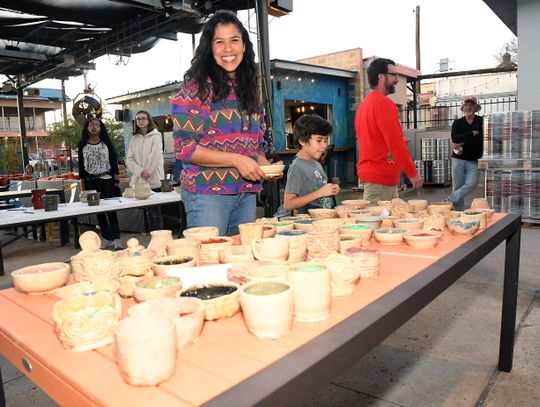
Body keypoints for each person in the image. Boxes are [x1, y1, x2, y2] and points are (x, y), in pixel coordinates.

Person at [171, 10, 279, 236]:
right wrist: (237, 161)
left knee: (237, 263)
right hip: (206, 193)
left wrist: (264, 166)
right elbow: (185, 149)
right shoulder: (196, 89)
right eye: (219, 42)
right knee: (209, 263)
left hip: (245, 193)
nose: (228, 49)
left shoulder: (250, 89)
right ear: (209, 48)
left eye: (234, 40)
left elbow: (255, 146)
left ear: (244, 46)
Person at [354, 58, 423, 205]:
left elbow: (372, 139)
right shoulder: (384, 104)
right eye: (393, 75)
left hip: (374, 176)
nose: (397, 80)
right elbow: (395, 143)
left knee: (384, 223)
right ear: (381, 77)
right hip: (381, 178)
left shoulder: (363, 106)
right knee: (379, 224)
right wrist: (412, 173)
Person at [78, 117, 123, 250]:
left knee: (110, 209)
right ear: (87, 128)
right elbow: (81, 165)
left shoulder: (106, 143)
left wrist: (115, 180)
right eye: (91, 125)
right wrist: (83, 183)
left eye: (97, 125)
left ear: (100, 127)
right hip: (91, 181)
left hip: (107, 179)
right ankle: (106, 238)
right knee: (98, 210)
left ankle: (116, 239)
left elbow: (114, 161)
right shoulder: (83, 144)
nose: (94, 127)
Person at [280, 114, 339, 215]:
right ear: (303, 141)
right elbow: (288, 204)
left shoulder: (316, 163)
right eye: (319, 140)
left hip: (323, 218)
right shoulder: (297, 167)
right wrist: (320, 193)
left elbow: (320, 189)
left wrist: (331, 190)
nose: (324, 145)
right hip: (309, 222)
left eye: (325, 140)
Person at [126, 110, 164, 230]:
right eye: (138, 119)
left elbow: (156, 156)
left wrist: (148, 172)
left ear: (148, 120)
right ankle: (152, 240)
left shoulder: (156, 136)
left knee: (156, 213)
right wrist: (141, 172)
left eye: (143, 118)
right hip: (139, 181)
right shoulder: (134, 139)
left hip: (154, 180)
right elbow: (129, 159)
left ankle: (161, 239)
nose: (140, 121)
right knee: (147, 213)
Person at [445, 96, 484, 210]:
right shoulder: (457, 122)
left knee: (472, 183)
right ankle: (459, 211)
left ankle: (451, 199)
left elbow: (482, 137)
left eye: (471, 105)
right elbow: (455, 139)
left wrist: (462, 139)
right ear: (463, 107)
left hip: (473, 159)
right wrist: (471, 133)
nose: (468, 107)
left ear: (476, 108)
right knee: (458, 186)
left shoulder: (481, 121)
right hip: (458, 158)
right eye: (466, 105)